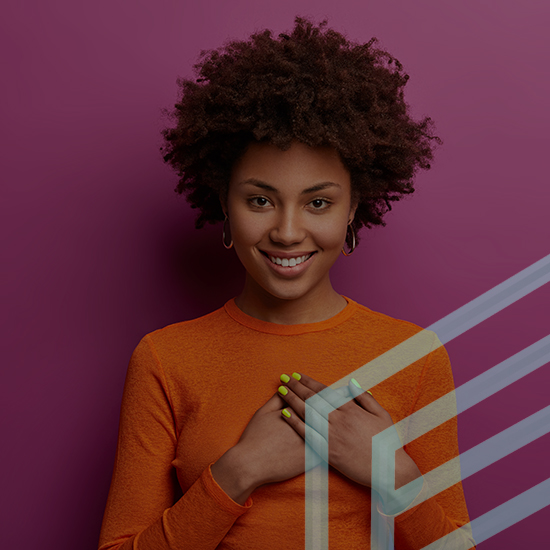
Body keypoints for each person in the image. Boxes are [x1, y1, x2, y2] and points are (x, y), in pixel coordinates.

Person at [98, 17, 475, 550]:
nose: (288, 231)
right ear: (222, 204)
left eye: (318, 202)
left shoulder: (415, 357)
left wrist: (391, 473)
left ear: (353, 211)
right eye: (260, 200)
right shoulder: (166, 359)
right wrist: (238, 471)